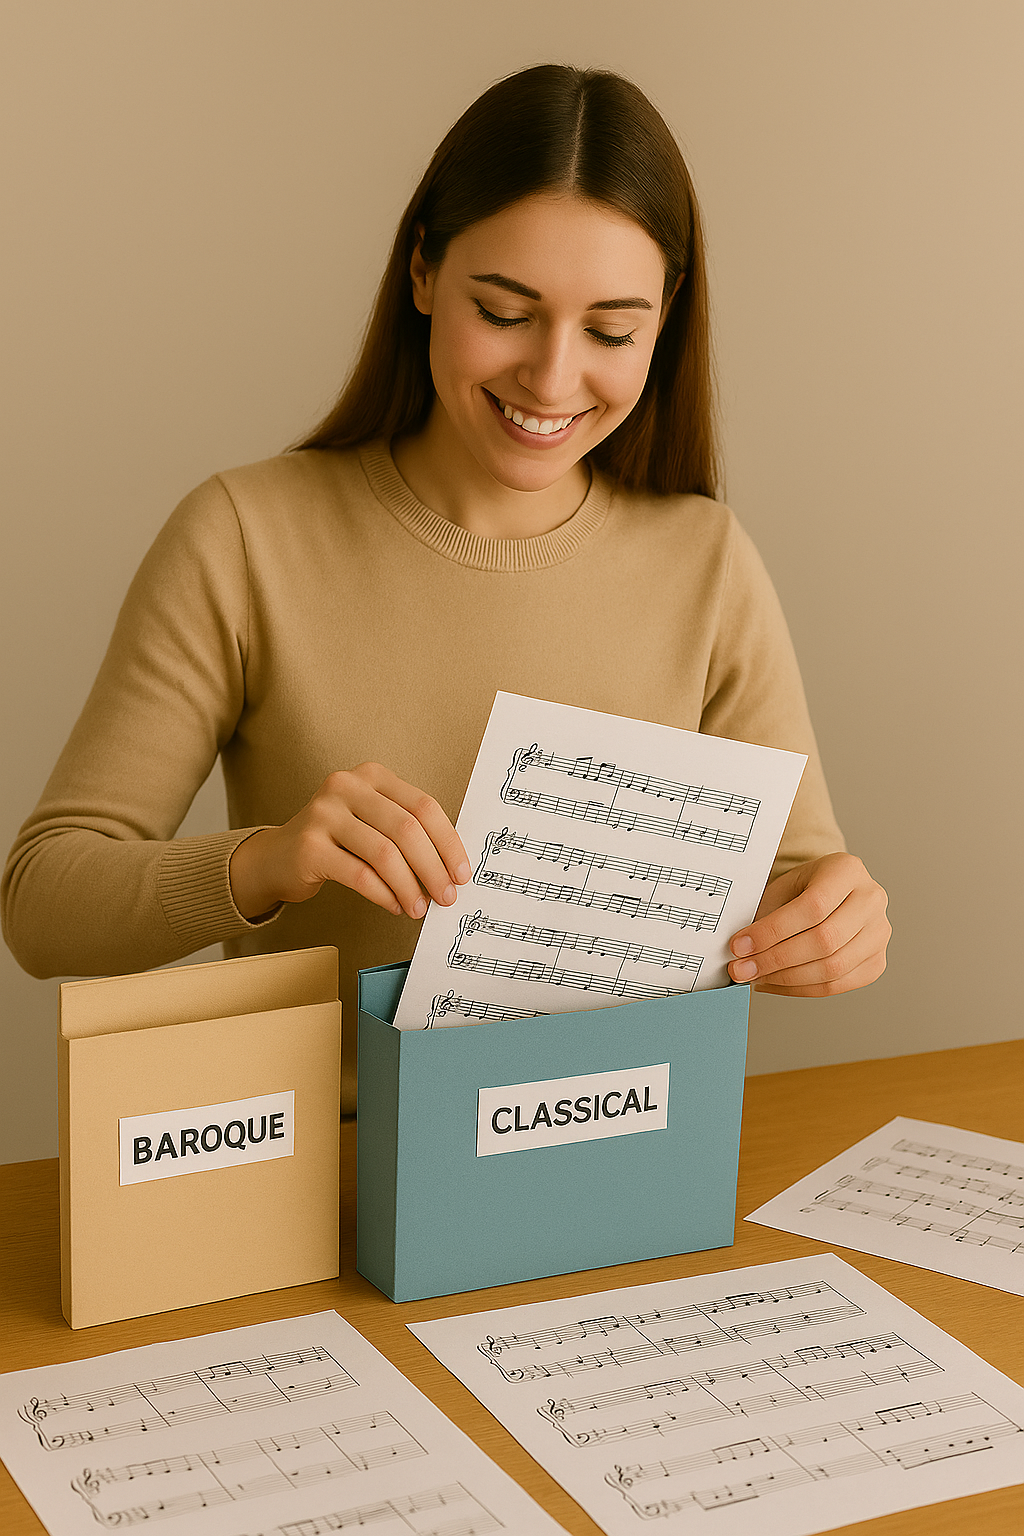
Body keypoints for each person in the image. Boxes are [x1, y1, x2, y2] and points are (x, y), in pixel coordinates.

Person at [2, 65, 890, 1112]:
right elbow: (43, 905)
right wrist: (269, 861)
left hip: (613, 1156)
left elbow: (801, 882)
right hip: (319, 1177)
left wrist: (831, 928)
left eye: (611, 330)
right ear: (422, 271)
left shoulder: (707, 560)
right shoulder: (245, 537)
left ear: (664, 321)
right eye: (505, 311)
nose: (553, 380)